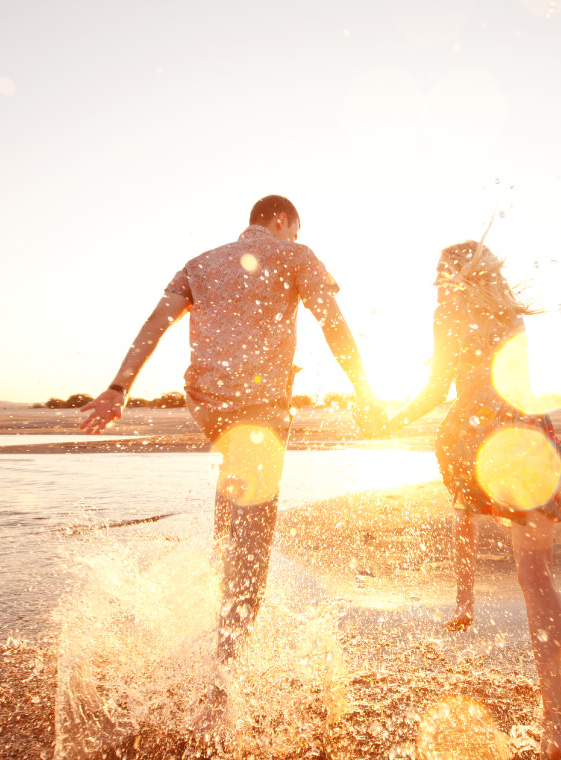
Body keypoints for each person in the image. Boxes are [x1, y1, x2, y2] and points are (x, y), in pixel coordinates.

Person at [79, 195, 385, 745]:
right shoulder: (295, 254)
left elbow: (154, 325)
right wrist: (365, 391)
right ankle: (220, 696)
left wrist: (118, 388)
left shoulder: (200, 262)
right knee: (253, 545)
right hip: (259, 408)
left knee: (233, 502)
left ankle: (207, 620)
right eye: (294, 230)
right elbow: (333, 324)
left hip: (208, 406)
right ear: (282, 221)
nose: (293, 237)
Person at [381, 240, 561, 760]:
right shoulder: (511, 315)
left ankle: (465, 599)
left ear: (456, 276)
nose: (434, 282)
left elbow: (437, 389)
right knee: (537, 578)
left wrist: (390, 421)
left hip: (473, 433)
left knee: (463, 503)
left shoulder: (446, 313)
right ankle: (556, 727)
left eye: (440, 273)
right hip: (524, 435)